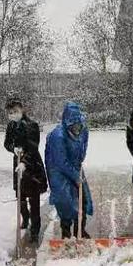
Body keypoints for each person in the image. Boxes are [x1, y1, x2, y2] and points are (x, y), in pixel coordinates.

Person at [45, 102, 93, 239]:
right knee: (65, 201)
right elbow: (60, 161)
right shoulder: (57, 136)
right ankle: (65, 233)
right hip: (58, 170)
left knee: (82, 199)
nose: (77, 129)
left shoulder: (84, 130)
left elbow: (82, 151)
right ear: (67, 124)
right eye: (73, 126)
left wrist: (77, 173)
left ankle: (80, 231)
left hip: (75, 166)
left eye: (78, 126)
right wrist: (74, 176)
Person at [3, 96, 47, 244]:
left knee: (34, 200)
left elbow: (33, 147)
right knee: (21, 197)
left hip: (32, 166)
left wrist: (25, 163)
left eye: (15, 111)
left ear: (22, 110)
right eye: (10, 112)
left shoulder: (31, 125)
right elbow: (7, 143)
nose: (12, 115)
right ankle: (25, 218)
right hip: (18, 165)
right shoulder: (11, 126)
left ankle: (35, 229)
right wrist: (13, 149)